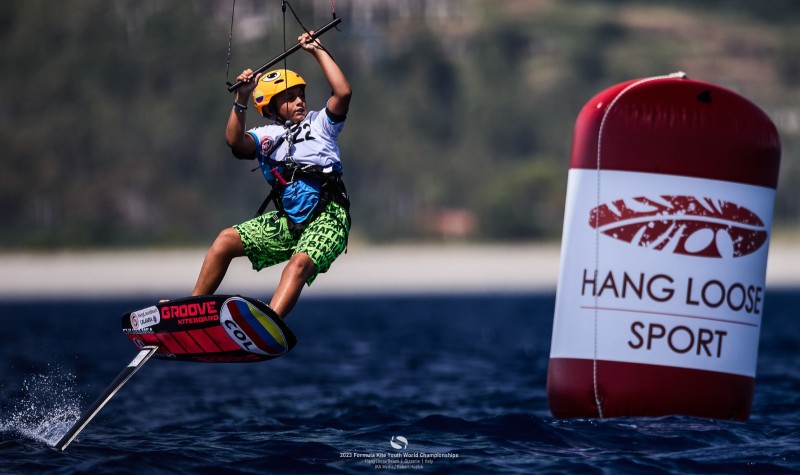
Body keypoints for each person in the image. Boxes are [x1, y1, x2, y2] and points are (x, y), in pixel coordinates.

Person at [191, 31, 352, 319]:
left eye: (301, 95)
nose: (300, 102)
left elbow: (343, 93)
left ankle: (268, 323)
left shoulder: (321, 125)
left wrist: (317, 51)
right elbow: (235, 143)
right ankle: (191, 309)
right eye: (290, 99)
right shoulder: (266, 136)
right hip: (289, 222)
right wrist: (241, 98)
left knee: (298, 265)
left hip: (328, 217)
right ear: (271, 108)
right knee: (226, 240)